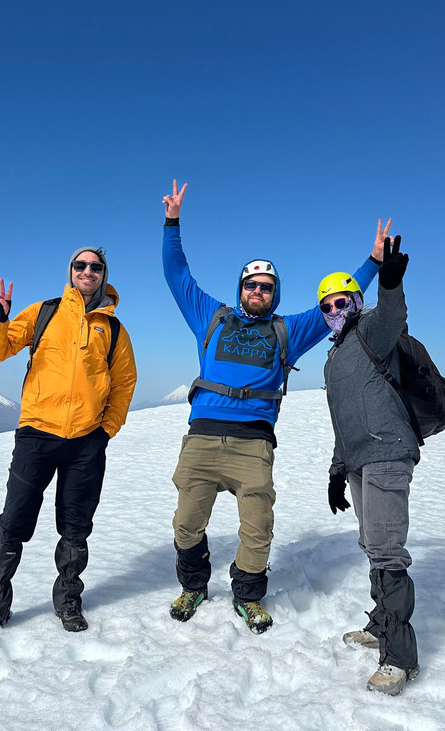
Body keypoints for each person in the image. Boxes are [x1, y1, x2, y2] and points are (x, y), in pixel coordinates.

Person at [162, 180, 386, 632]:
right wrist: (172, 223)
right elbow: (177, 274)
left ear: (275, 293)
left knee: (258, 526)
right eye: (251, 285)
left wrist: (374, 262)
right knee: (186, 523)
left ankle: (247, 594)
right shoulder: (212, 316)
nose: (258, 291)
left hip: (253, 444)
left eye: (266, 286)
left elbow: (339, 302)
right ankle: (194, 586)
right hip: (202, 437)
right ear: (241, 288)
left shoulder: (290, 330)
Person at [0, 247, 137, 651]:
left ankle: (68, 602)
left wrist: (105, 430)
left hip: (85, 442)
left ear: (104, 274)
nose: (88, 271)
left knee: (76, 528)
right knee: (13, 524)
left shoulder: (113, 329)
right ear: (71, 272)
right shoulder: (44, 312)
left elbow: (124, 382)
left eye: (95, 267)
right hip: (36, 435)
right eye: (81, 265)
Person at [317, 223, 420, 695]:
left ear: (356, 302)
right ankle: (381, 625)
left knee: (386, 550)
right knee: (370, 543)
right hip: (359, 460)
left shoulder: (371, 332)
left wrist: (390, 282)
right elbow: (345, 419)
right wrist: (338, 471)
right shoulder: (334, 359)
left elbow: (393, 315)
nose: (337, 309)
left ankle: (398, 657)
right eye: (329, 305)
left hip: (386, 454)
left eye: (344, 300)